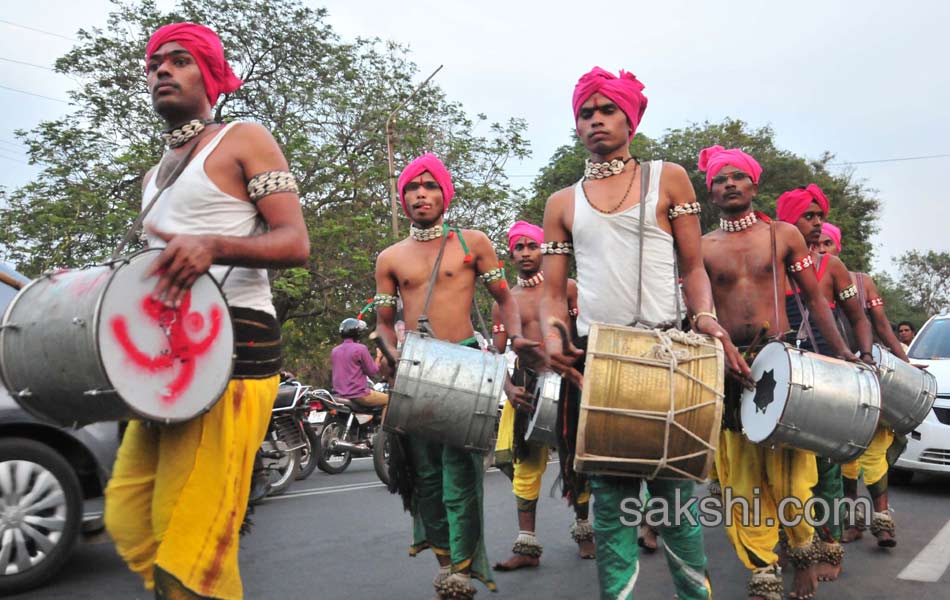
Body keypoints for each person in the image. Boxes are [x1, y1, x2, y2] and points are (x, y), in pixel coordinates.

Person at [104, 22, 309, 599]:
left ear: (210, 77)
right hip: (166, 370)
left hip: (233, 358)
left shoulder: (243, 139)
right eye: (154, 63)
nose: (162, 70)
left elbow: (295, 242)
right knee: (129, 517)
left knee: (187, 553)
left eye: (179, 60)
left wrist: (214, 245)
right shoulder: (152, 177)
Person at [539, 66, 750, 600]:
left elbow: (693, 267)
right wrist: (555, 334)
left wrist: (704, 317)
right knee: (609, 505)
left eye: (607, 110)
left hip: (668, 352)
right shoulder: (562, 202)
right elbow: (552, 292)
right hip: (599, 359)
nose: (595, 121)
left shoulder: (668, 177)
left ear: (629, 118)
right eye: (586, 113)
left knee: (675, 500)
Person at [374, 153, 544, 600]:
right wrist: (390, 354)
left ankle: (462, 574)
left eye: (430, 186)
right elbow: (383, 321)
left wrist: (508, 347)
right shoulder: (390, 257)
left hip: (468, 363)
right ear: (403, 197)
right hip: (416, 370)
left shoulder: (472, 243)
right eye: (412, 187)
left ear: (444, 194)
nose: (420, 195)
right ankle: (446, 565)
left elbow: (504, 300)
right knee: (425, 477)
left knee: (462, 476)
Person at [699, 146, 856, 600]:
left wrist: (843, 353)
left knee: (791, 475)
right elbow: (697, 308)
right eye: (719, 179)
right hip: (729, 369)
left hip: (782, 362)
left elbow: (815, 301)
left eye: (737, 177)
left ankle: (804, 552)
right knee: (741, 476)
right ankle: (762, 569)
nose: (729, 183)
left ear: (753, 185)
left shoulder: (783, 234)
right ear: (710, 192)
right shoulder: (703, 247)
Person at [776, 184, 875, 583]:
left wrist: (863, 356)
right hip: (783, 373)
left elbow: (858, 318)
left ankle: (829, 549)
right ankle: (792, 542)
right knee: (783, 467)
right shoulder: (769, 261)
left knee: (826, 469)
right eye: (808, 217)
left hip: (828, 372)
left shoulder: (832, 267)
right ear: (788, 222)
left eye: (820, 216)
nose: (817, 224)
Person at [489, 221, 595, 571]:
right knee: (526, 466)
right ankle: (527, 547)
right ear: (511, 255)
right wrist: (509, 388)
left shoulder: (568, 289)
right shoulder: (505, 301)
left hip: (568, 384)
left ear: (543, 250)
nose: (525, 254)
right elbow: (496, 353)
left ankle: (585, 533)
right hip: (526, 387)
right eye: (518, 248)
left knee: (576, 462)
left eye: (531, 246)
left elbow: (585, 338)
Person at [817, 222, 907, 547]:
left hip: (866, 373)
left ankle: (882, 522)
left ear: (837, 247)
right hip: (829, 377)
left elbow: (880, 324)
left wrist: (904, 362)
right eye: (819, 242)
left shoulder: (861, 281)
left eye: (829, 242)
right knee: (845, 456)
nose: (822, 247)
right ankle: (852, 521)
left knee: (873, 452)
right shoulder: (802, 278)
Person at [331, 317, 387, 406]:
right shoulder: (360, 348)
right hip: (358, 395)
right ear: (357, 334)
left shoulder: (335, 351)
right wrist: (378, 357)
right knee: (390, 401)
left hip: (339, 395)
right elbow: (372, 372)